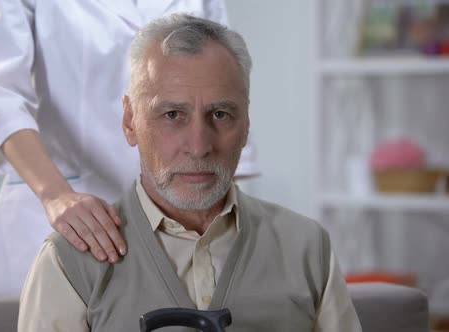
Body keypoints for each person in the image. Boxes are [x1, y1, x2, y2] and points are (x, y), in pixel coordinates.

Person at [18, 14, 362, 332]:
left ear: (246, 125)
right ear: (129, 122)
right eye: (172, 115)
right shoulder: (70, 262)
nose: (198, 146)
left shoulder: (306, 248)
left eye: (221, 114)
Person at [0, 0, 260, 296]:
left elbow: (225, 84)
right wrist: (56, 195)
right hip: (59, 205)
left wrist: (218, 231)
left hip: (177, 214)